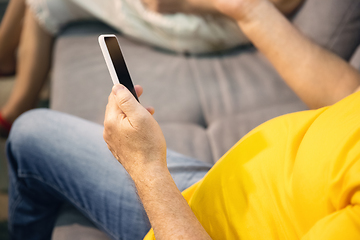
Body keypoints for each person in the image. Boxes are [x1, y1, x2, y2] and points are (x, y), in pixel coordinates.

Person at [6, 0, 360, 240]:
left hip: (193, 219)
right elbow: (347, 89)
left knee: (29, 134)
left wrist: (145, 167)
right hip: (222, 177)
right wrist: (248, 9)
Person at [0, 0, 303, 138]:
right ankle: (4, 60)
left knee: (42, 3)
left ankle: (14, 110)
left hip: (202, 18)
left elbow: (282, 2)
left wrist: (183, 4)